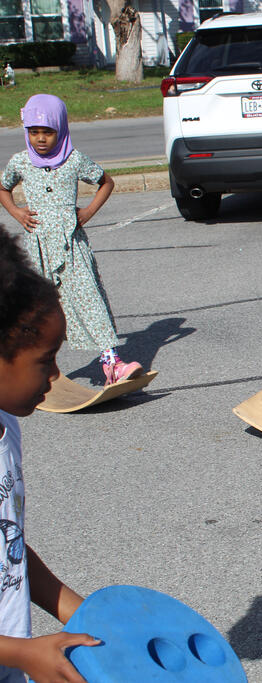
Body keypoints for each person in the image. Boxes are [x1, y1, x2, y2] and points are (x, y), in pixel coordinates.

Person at [0, 228, 100, 682]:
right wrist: (21, 654)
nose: (57, 375)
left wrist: (78, 611)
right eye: (46, 359)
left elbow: (9, 551)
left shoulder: (7, 428)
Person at [0, 94, 143, 386]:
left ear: (61, 130)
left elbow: (106, 182)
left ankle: (112, 363)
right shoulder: (21, 162)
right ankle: (40, 368)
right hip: (38, 249)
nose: (41, 139)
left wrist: (87, 212)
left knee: (90, 299)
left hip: (72, 247)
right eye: (34, 132)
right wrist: (17, 212)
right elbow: (3, 188)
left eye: (48, 132)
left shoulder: (74, 160)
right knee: (41, 310)